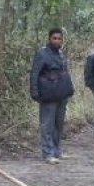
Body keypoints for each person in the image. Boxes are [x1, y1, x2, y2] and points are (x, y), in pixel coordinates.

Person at [30, 28, 74, 164]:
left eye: (59, 38)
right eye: (54, 38)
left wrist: (69, 88)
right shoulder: (42, 54)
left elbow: (65, 71)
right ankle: (47, 153)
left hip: (61, 93)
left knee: (58, 124)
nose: (57, 41)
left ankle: (56, 150)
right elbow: (34, 73)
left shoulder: (61, 53)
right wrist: (34, 91)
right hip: (48, 94)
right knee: (47, 125)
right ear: (49, 39)